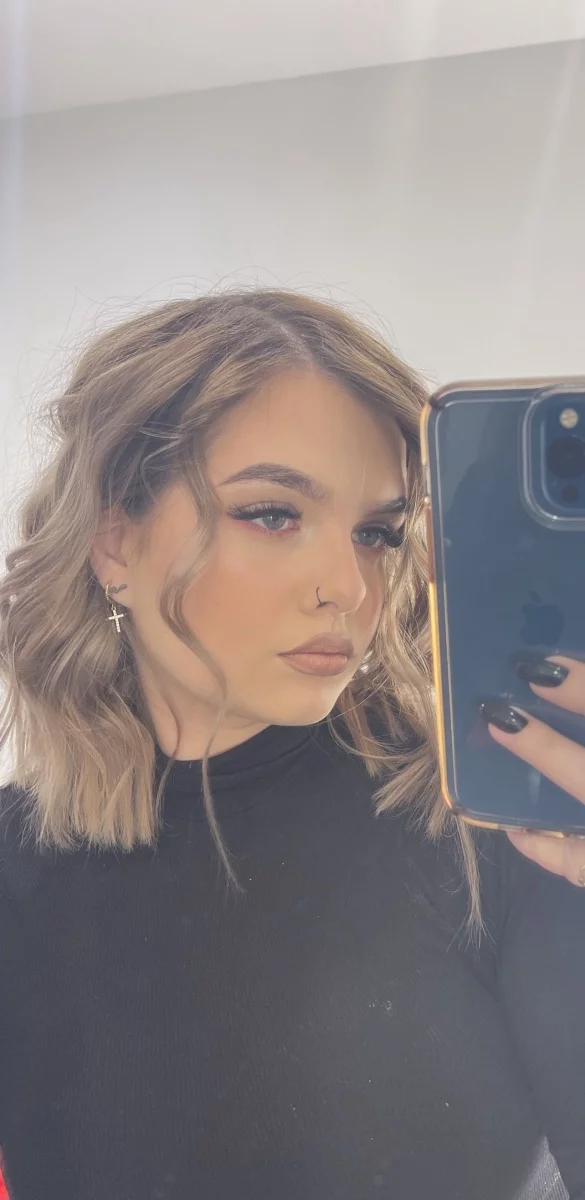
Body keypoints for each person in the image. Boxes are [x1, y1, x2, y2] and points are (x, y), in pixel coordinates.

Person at [0, 289, 583, 1200]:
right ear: (114, 541)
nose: (349, 586)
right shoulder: (15, 858)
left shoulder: (495, 831)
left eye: (378, 533)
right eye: (273, 514)